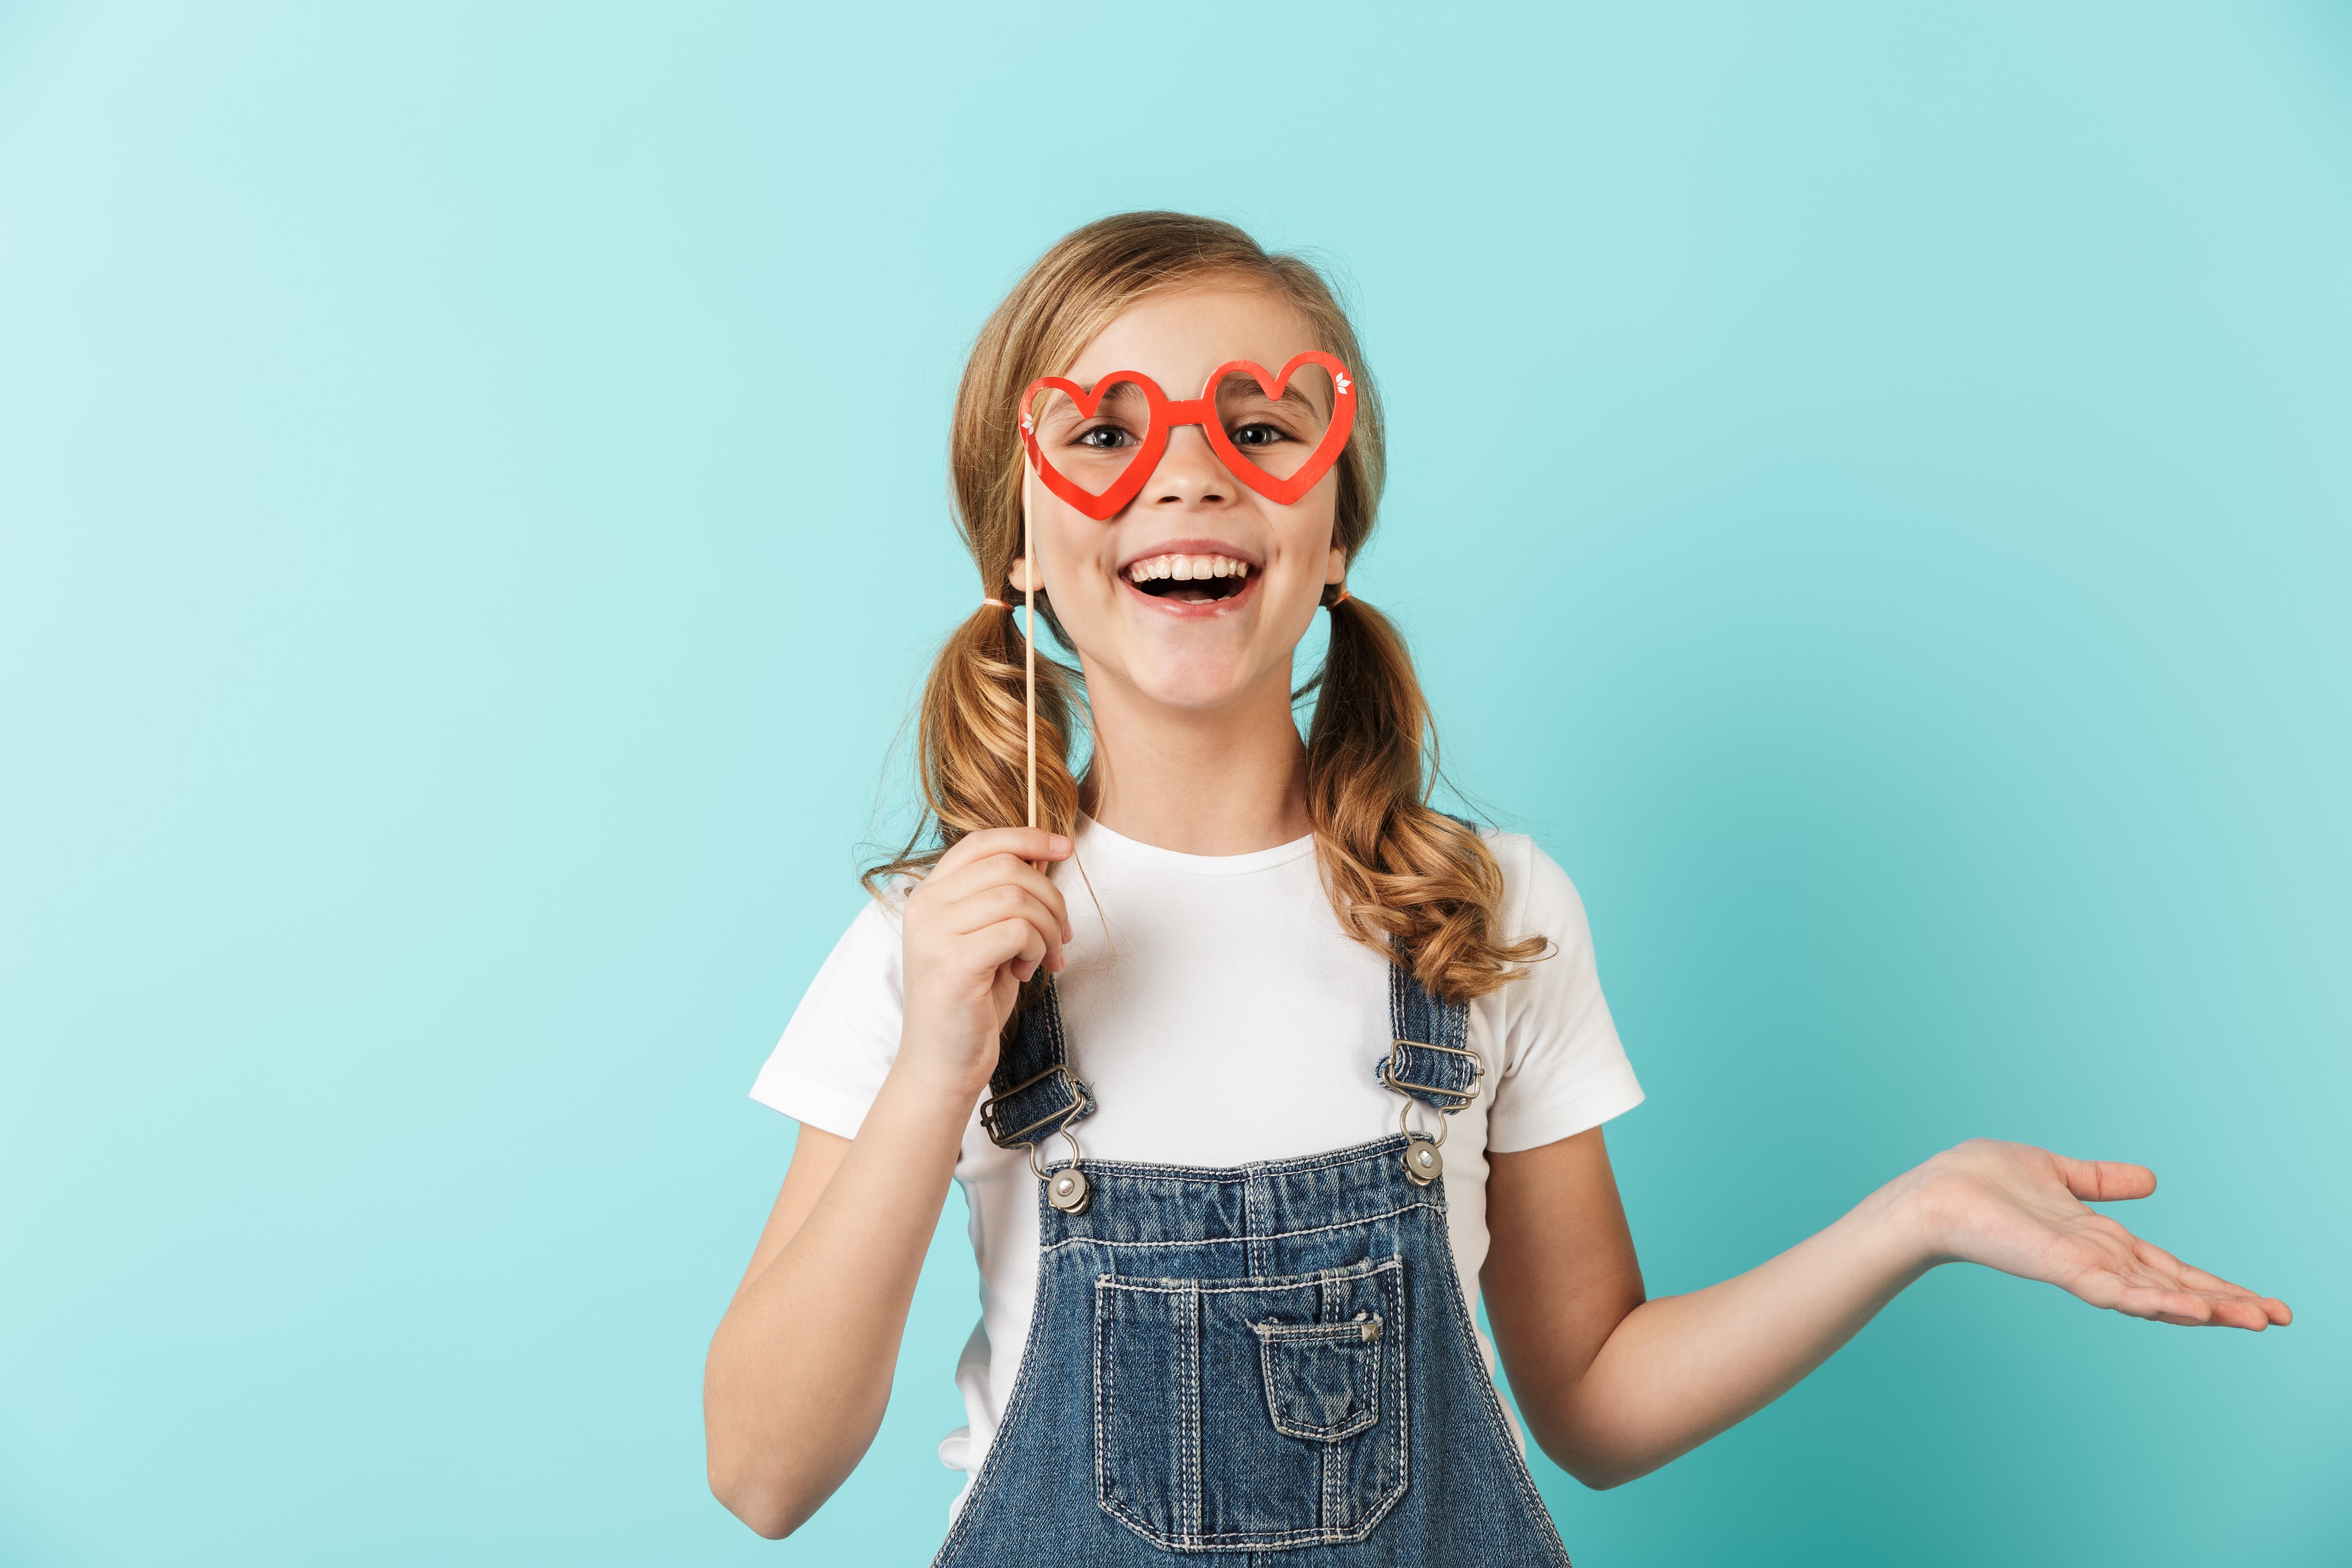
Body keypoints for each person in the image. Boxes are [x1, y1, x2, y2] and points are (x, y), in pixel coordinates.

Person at [701, 212, 2288, 1563]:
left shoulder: (1480, 919)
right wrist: (933, 1070)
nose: (1186, 478)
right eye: (1106, 435)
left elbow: (1592, 1399)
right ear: (1025, 543)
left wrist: (1910, 1219)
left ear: (1334, 536)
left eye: (1260, 428)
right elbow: (765, 1477)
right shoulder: (933, 949)